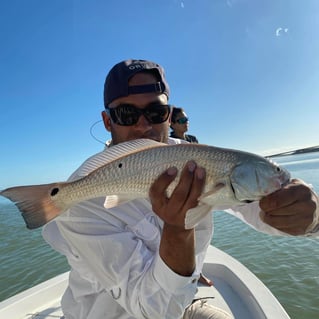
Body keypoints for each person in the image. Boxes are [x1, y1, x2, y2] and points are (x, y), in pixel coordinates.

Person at [42, 59, 319, 319]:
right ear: (107, 122)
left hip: (182, 299)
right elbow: (154, 309)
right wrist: (178, 232)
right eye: (126, 114)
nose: (144, 125)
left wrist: (309, 217)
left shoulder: (194, 159)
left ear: (168, 114)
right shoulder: (79, 203)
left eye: (155, 111)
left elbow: (259, 205)